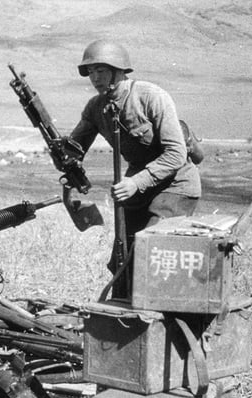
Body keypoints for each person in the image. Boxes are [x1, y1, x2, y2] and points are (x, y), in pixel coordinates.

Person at [68, 39, 202, 296]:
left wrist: (135, 182)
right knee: (122, 256)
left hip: (177, 185)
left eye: (101, 71)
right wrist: (59, 150)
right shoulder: (96, 107)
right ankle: (120, 313)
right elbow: (74, 150)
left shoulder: (151, 96)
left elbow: (176, 154)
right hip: (138, 188)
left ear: (119, 71)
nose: (95, 78)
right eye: (91, 72)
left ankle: (158, 317)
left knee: (149, 251)